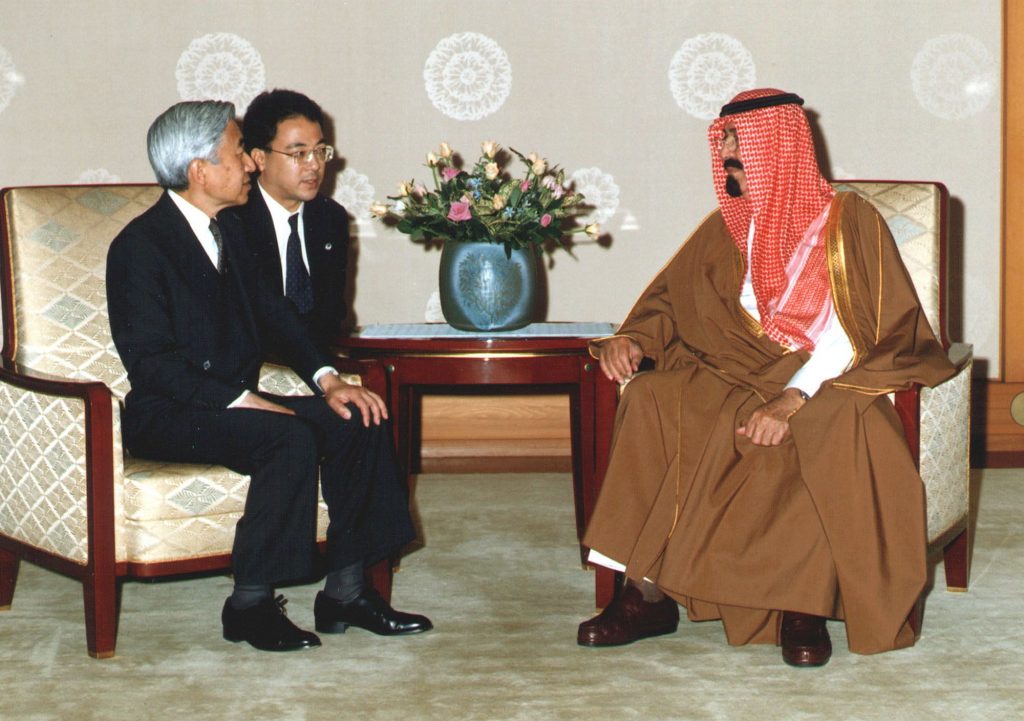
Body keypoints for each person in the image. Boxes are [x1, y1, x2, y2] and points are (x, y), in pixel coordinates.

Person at [577, 88, 954, 667]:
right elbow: (669, 304)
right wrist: (634, 339)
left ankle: (803, 605)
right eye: (722, 138)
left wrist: (793, 396)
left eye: (736, 139)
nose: (724, 150)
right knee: (653, 397)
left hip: (820, 374)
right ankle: (646, 592)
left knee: (824, 428)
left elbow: (855, 332)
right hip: (731, 366)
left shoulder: (848, 222)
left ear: (777, 146)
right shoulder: (725, 227)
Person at [106, 100, 432, 653]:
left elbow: (277, 315)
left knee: (357, 416)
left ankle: (348, 592)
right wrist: (242, 400)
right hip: (169, 413)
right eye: (239, 154)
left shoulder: (229, 232)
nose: (251, 166)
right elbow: (151, 364)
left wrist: (329, 380)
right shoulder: (139, 246)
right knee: (286, 436)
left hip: (231, 404)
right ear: (199, 170)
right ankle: (250, 604)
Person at [236, 89, 349, 351]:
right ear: (259, 158)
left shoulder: (330, 218)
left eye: (320, 151)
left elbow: (333, 316)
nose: (314, 165)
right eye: (299, 154)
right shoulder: (234, 220)